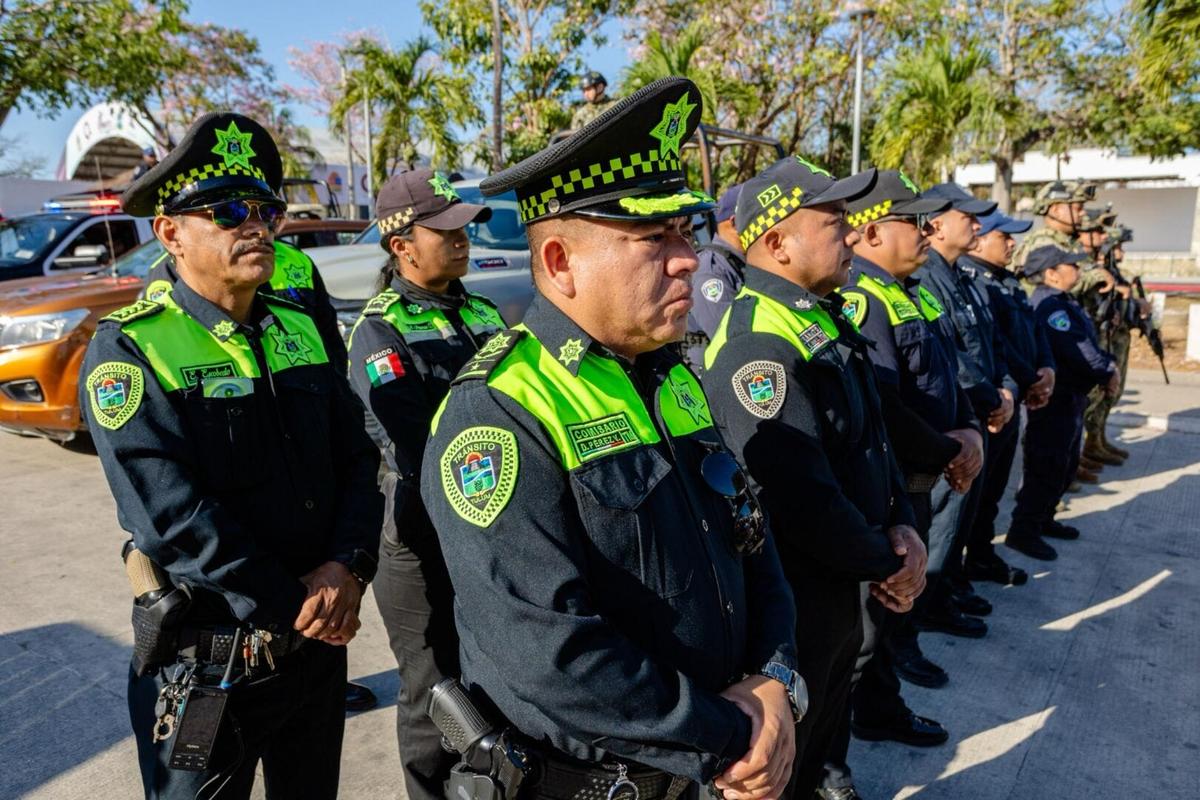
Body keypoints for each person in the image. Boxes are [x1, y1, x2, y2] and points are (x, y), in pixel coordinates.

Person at [422, 78, 802, 800]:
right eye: (653, 238)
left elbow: (752, 538)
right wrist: (731, 733)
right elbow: (547, 649)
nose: (687, 257)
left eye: (686, 231)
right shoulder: (499, 411)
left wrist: (777, 682)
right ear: (562, 263)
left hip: (703, 763)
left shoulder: (672, 377)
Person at [84, 112, 383, 799]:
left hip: (312, 653)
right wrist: (302, 602)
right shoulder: (132, 347)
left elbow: (356, 458)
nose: (254, 226)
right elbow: (171, 513)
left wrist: (349, 566)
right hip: (211, 666)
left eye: (264, 210)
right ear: (170, 234)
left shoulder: (300, 327)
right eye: (225, 212)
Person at [703, 156, 927, 797]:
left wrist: (902, 528)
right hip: (797, 598)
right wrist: (887, 556)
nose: (853, 235)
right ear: (776, 242)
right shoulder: (757, 343)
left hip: (844, 583)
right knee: (785, 764)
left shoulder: (823, 316)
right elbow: (800, 497)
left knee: (827, 730)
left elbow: (873, 444)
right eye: (834, 223)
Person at [812, 171, 974, 800]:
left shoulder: (899, 293)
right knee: (858, 638)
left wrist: (966, 428)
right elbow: (884, 403)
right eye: (914, 220)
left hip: (908, 480)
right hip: (893, 486)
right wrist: (945, 447)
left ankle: (873, 712)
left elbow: (934, 378)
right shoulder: (858, 299)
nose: (927, 230)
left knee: (873, 629)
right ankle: (829, 767)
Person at [346, 169, 503, 800]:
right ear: (400, 244)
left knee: (486, 673)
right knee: (430, 688)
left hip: (488, 519)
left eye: (463, 228)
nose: (461, 240)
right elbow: (415, 437)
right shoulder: (379, 330)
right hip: (416, 529)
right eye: (444, 231)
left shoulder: (484, 311)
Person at [908, 182, 1007, 638]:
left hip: (968, 420)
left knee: (958, 522)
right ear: (937, 223)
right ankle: (928, 605)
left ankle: (944, 589)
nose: (976, 223)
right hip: (943, 432)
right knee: (940, 526)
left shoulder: (954, 276)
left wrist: (998, 393)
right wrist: (987, 398)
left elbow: (976, 349)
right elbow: (953, 363)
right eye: (965, 214)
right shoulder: (926, 276)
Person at [959, 209, 1057, 583]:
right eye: (1005, 236)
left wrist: (1045, 369)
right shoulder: (973, 281)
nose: (1013, 243)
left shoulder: (1008, 282)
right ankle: (957, 570)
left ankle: (981, 557)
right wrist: (1027, 381)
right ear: (981, 237)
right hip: (994, 402)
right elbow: (993, 348)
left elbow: (1033, 333)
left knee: (993, 490)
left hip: (1011, 398)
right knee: (975, 494)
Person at [1006, 246, 1117, 561]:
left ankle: (1044, 520)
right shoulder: (1051, 307)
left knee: (1065, 465)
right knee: (1047, 465)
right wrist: (1108, 368)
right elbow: (1078, 350)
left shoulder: (1063, 301)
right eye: (1070, 266)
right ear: (1051, 273)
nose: (1078, 271)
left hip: (1070, 399)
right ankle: (1023, 532)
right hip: (1054, 401)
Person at [685, 183, 746, 369]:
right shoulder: (711, 270)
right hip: (713, 378)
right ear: (734, 223)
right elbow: (734, 340)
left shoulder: (739, 264)